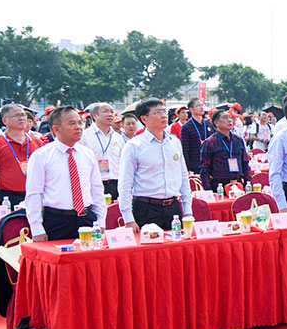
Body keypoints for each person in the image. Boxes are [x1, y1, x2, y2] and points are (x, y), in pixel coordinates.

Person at [23, 106, 107, 242]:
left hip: (87, 219)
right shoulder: (41, 156)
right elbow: (34, 194)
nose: (78, 127)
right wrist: (37, 228)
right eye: (72, 123)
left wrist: (101, 220)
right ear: (56, 129)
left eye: (80, 122)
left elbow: (96, 189)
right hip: (57, 221)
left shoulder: (87, 154)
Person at [118, 99, 193, 230]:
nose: (163, 115)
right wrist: (128, 219)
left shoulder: (174, 142)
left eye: (164, 111)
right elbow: (125, 183)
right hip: (146, 209)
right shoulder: (134, 146)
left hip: (173, 208)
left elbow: (183, 177)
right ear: (144, 119)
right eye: (157, 112)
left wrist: (187, 210)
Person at [0, 103, 47, 208]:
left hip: (34, 194)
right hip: (8, 196)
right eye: (17, 115)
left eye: (23, 115)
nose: (22, 118)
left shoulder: (36, 141)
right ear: (4, 120)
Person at [200, 108, 251, 192]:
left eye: (230, 117)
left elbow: (245, 163)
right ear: (216, 123)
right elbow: (204, 168)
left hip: (238, 185)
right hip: (219, 186)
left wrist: (248, 183)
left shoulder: (238, 140)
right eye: (225, 117)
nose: (229, 120)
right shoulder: (210, 142)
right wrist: (208, 190)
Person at [82, 102, 124, 200]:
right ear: (95, 116)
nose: (110, 114)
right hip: (94, 183)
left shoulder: (118, 137)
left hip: (115, 182)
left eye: (112, 112)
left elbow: (123, 161)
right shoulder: (84, 136)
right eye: (105, 111)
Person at [178, 98, 215, 174]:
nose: (201, 107)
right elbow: (185, 149)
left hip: (211, 163)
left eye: (202, 105)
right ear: (191, 109)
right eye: (198, 106)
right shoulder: (186, 127)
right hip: (195, 164)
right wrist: (188, 168)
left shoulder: (209, 124)